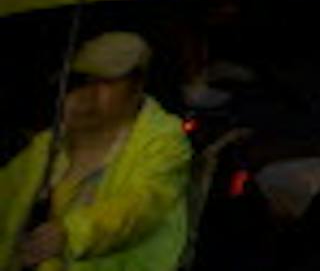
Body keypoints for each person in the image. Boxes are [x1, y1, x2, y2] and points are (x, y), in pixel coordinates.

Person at [0, 32, 190, 271]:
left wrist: (72, 233)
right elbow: (11, 188)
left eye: (108, 82)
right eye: (90, 80)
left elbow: (142, 205)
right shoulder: (60, 136)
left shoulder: (164, 139)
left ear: (137, 85)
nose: (93, 92)